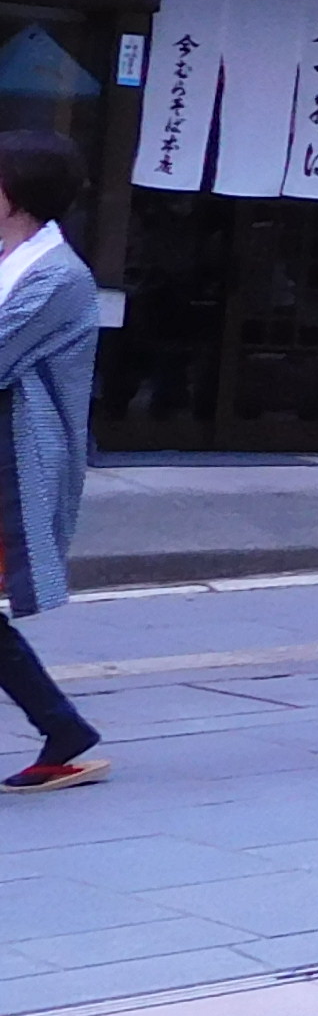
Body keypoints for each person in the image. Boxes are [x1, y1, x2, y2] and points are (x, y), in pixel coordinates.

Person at [0, 131, 104, 792]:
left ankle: (63, 728)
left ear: (13, 197)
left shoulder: (60, 276)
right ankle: (62, 727)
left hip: (12, 463)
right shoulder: (10, 259)